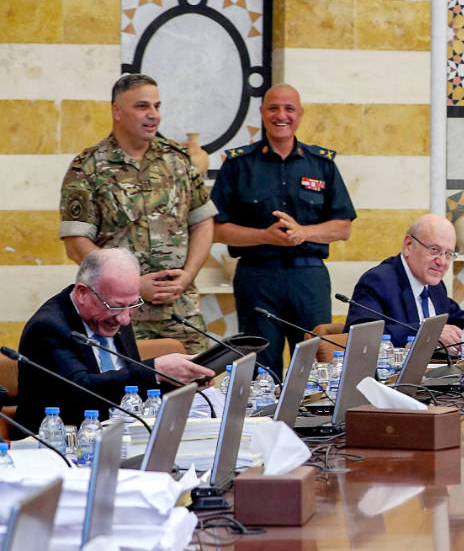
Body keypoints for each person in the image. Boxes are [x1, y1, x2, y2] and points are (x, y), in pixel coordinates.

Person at [59, 73, 216, 353]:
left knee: (198, 390)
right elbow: (76, 245)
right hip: (119, 316)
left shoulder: (178, 161)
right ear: (116, 111)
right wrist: (133, 285)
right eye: (142, 106)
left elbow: (203, 223)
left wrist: (188, 274)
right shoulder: (88, 168)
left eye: (157, 106)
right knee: (126, 393)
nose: (153, 115)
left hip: (180, 313)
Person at [211, 84, 356, 375]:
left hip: (308, 279)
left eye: (289, 109)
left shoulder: (322, 164)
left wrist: (303, 233)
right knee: (261, 369)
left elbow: (343, 227)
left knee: (318, 363)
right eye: (274, 108)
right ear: (263, 113)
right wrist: (264, 236)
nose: (282, 115)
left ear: (300, 114)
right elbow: (216, 229)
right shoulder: (239, 164)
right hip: (257, 278)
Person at [13, 249, 215, 433]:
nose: (125, 318)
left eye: (133, 305)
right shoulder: (49, 327)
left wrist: (179, 382)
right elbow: (82, 391)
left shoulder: (116, 310)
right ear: (83, 293)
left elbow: (127, 387)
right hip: (58, 443)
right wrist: (156, 370)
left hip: (121, 433)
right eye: (117, 306)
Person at [345, 214, 464, 347]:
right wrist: (428, 333)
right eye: (434, 250)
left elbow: (455, 316)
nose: (442, 262)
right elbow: (362, 337)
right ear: (408, 245)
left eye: (448, 254)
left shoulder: (434, 286)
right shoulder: (378, 281)